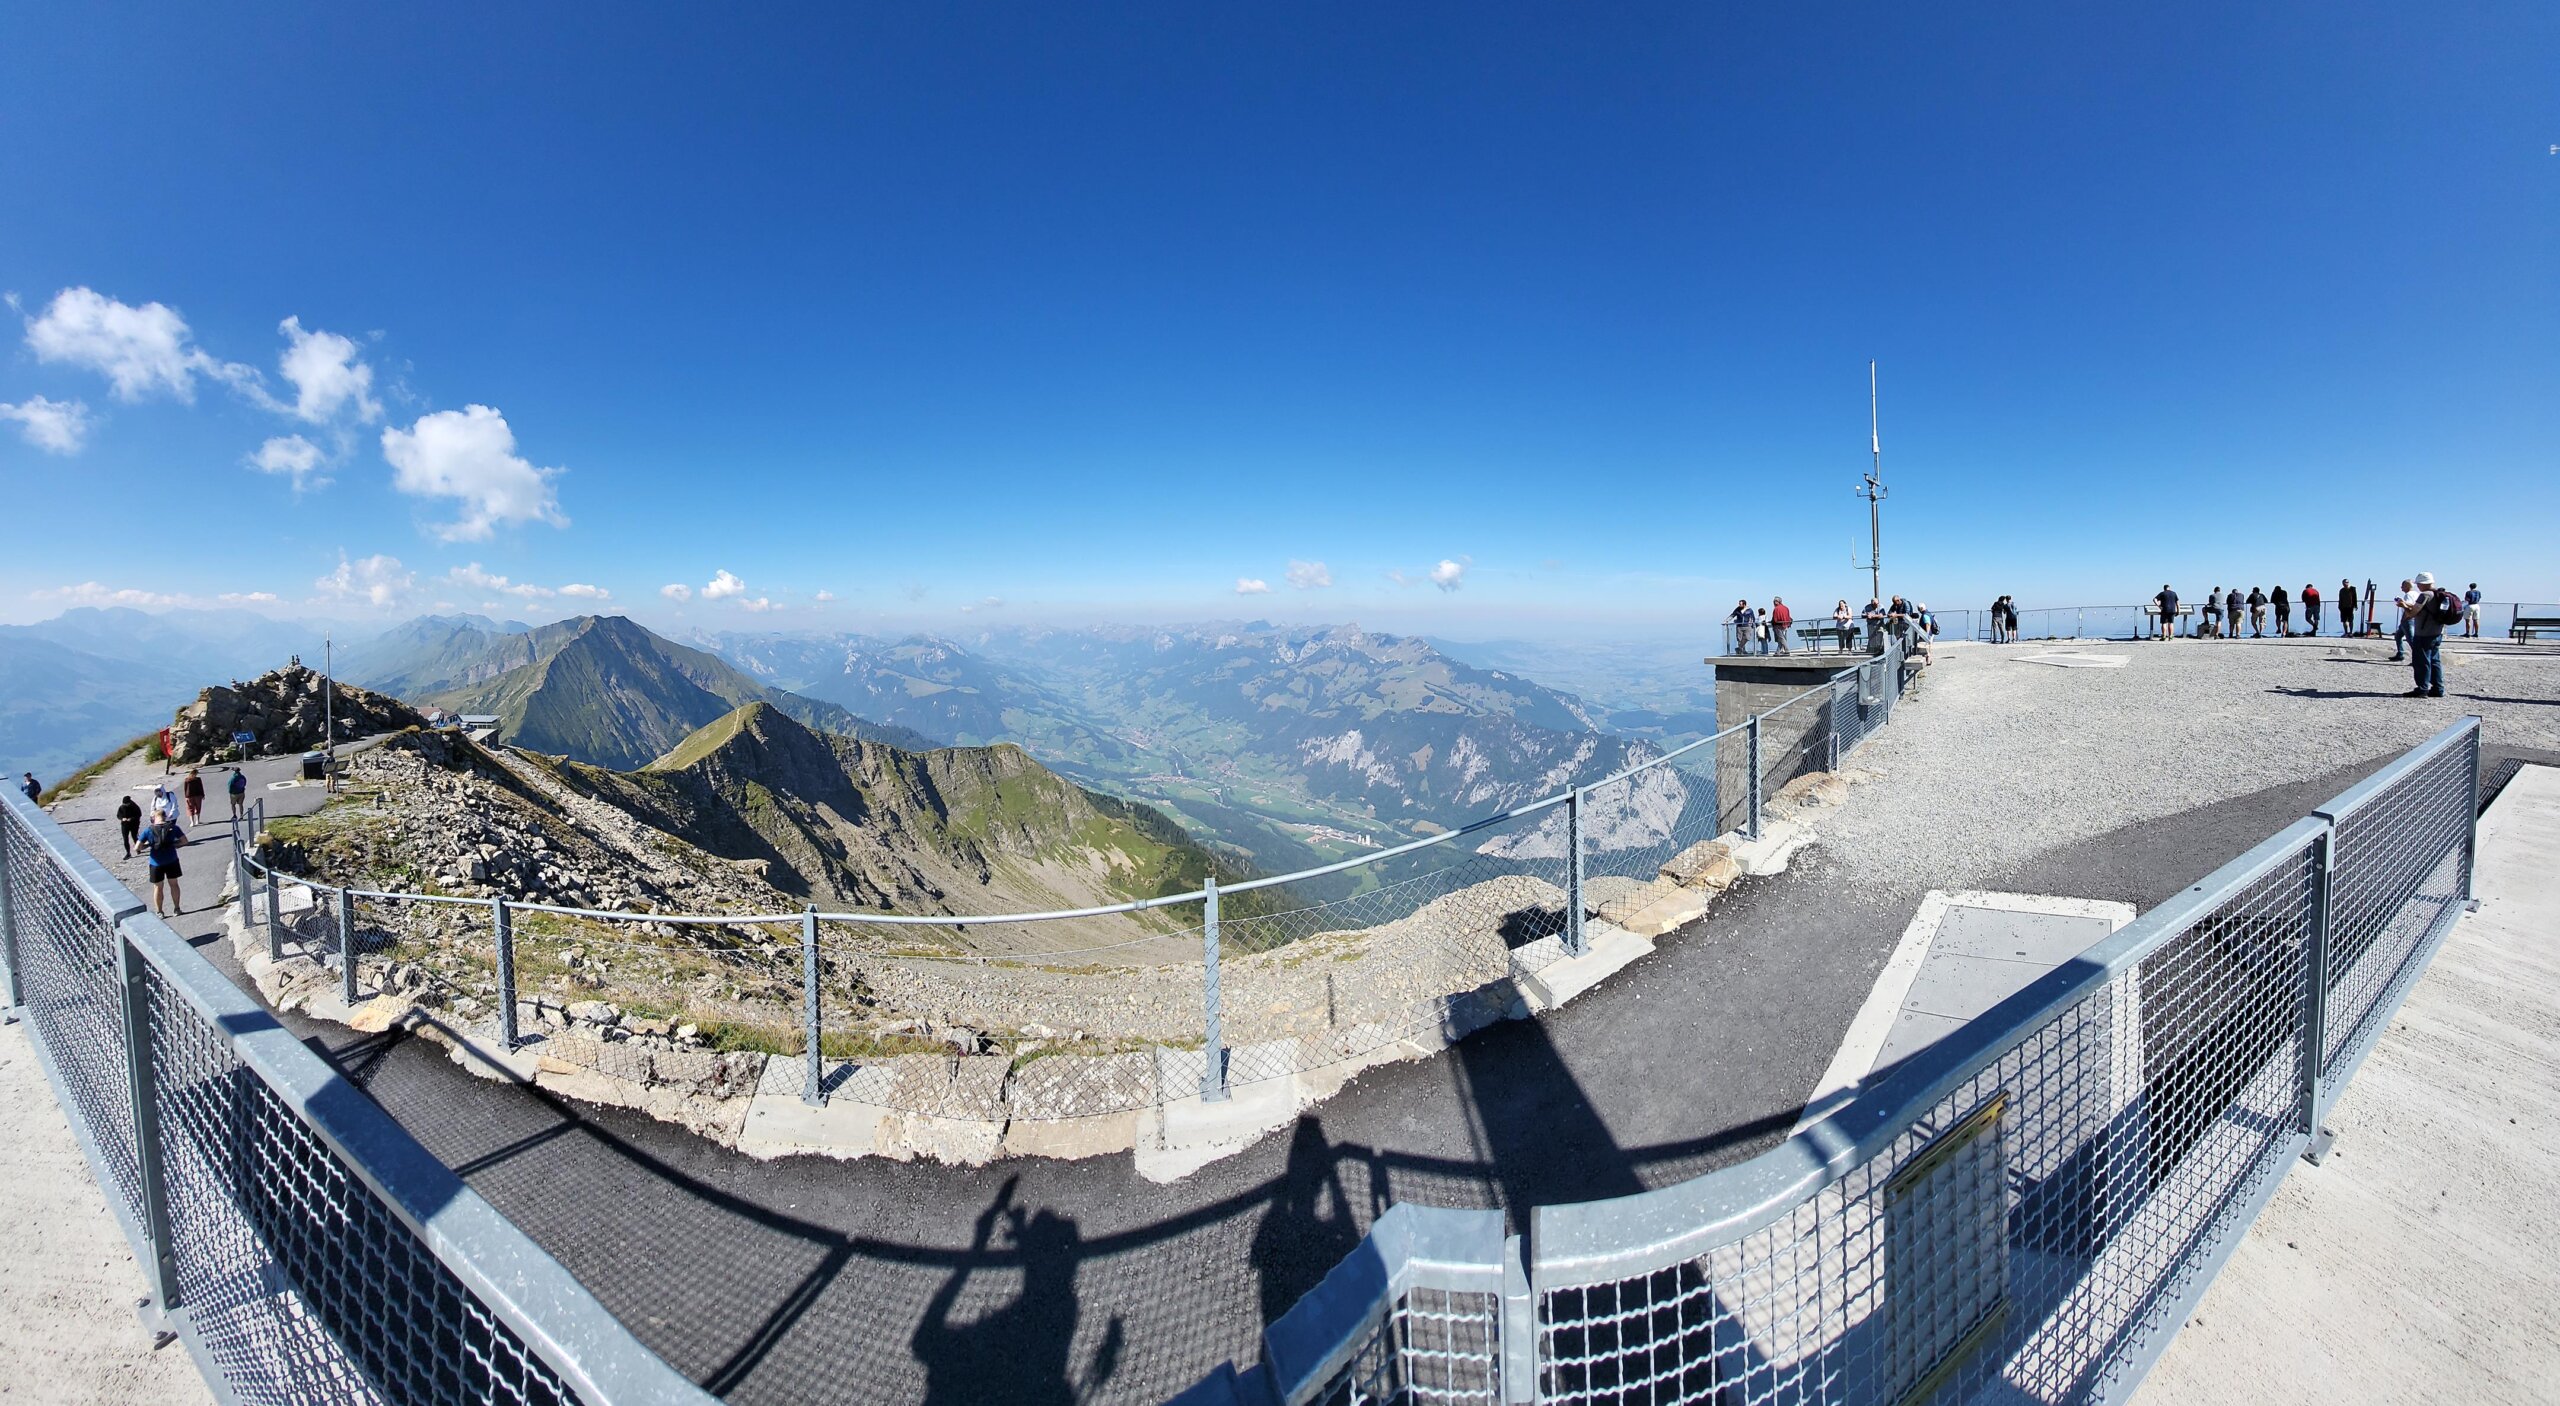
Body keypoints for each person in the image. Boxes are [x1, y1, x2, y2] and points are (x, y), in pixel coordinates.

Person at [2407, 571, 2454, 698]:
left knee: (2422, 661)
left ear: (2422, 584)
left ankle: (2422, 688)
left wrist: (2404, 607)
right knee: (2434, 660)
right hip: (2437, 632)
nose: (2418, 586)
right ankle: (2438, 688)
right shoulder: (2439, 595)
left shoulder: (2425, 595)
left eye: (2419, 584)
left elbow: (2413, 612)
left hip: (2423, 633)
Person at [137, 811, 186, 916]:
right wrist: (174, 845)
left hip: (156, 863)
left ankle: (160, 912)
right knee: (174, 884)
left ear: (154, 817)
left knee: (158, 887)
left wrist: (148, 845)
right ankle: (177, 909)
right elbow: (185, 841)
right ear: (165, 816)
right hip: (172, 860)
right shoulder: (174, 828)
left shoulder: (148, 831)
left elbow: (137, 847)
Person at [2390, 578, 2417, 661]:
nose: (2401, 588)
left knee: (2411, 640)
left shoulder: (2408, 595)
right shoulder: (2416, 594)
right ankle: (2400, 653)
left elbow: (2408, 606)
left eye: (2402, 586)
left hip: (2408, 619)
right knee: (2398, 636)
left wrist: (2403, 619)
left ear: (2407, 586)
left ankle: (2417, 658)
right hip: (2413, 618)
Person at [115, 793, 142, 858]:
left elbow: (139, 814)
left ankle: (138, 848)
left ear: (129, 803)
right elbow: (118, 815)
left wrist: (132, 819)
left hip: (134, 824)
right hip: (125, 824)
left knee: (134, 836)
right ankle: (128, 853)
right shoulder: (121, 807)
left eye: (126, 804)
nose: (125, 805)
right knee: (125, 839)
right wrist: (122, 818)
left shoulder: (134, 806)